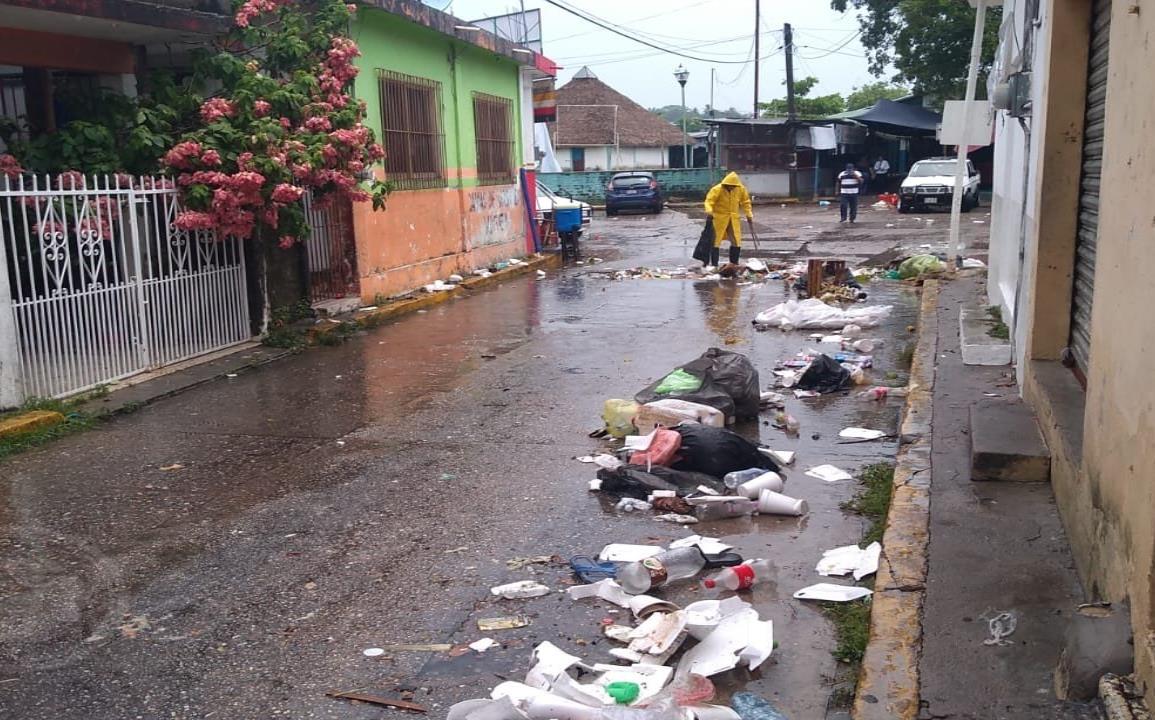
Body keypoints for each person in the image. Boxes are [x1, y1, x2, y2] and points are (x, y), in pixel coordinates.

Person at [703, 171, 753, 267]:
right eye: (730, 186)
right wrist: (709, 211)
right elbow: (709, 201)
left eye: (733, 186)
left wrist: (749, 215)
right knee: (715, 241)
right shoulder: (717, 189)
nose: (731, 187)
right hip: (719, 219)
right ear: (726, 184)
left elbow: (746, 202)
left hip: (733, 218)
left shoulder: (740, 189)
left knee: (736, 240)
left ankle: (734, 263)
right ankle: (714, 264)